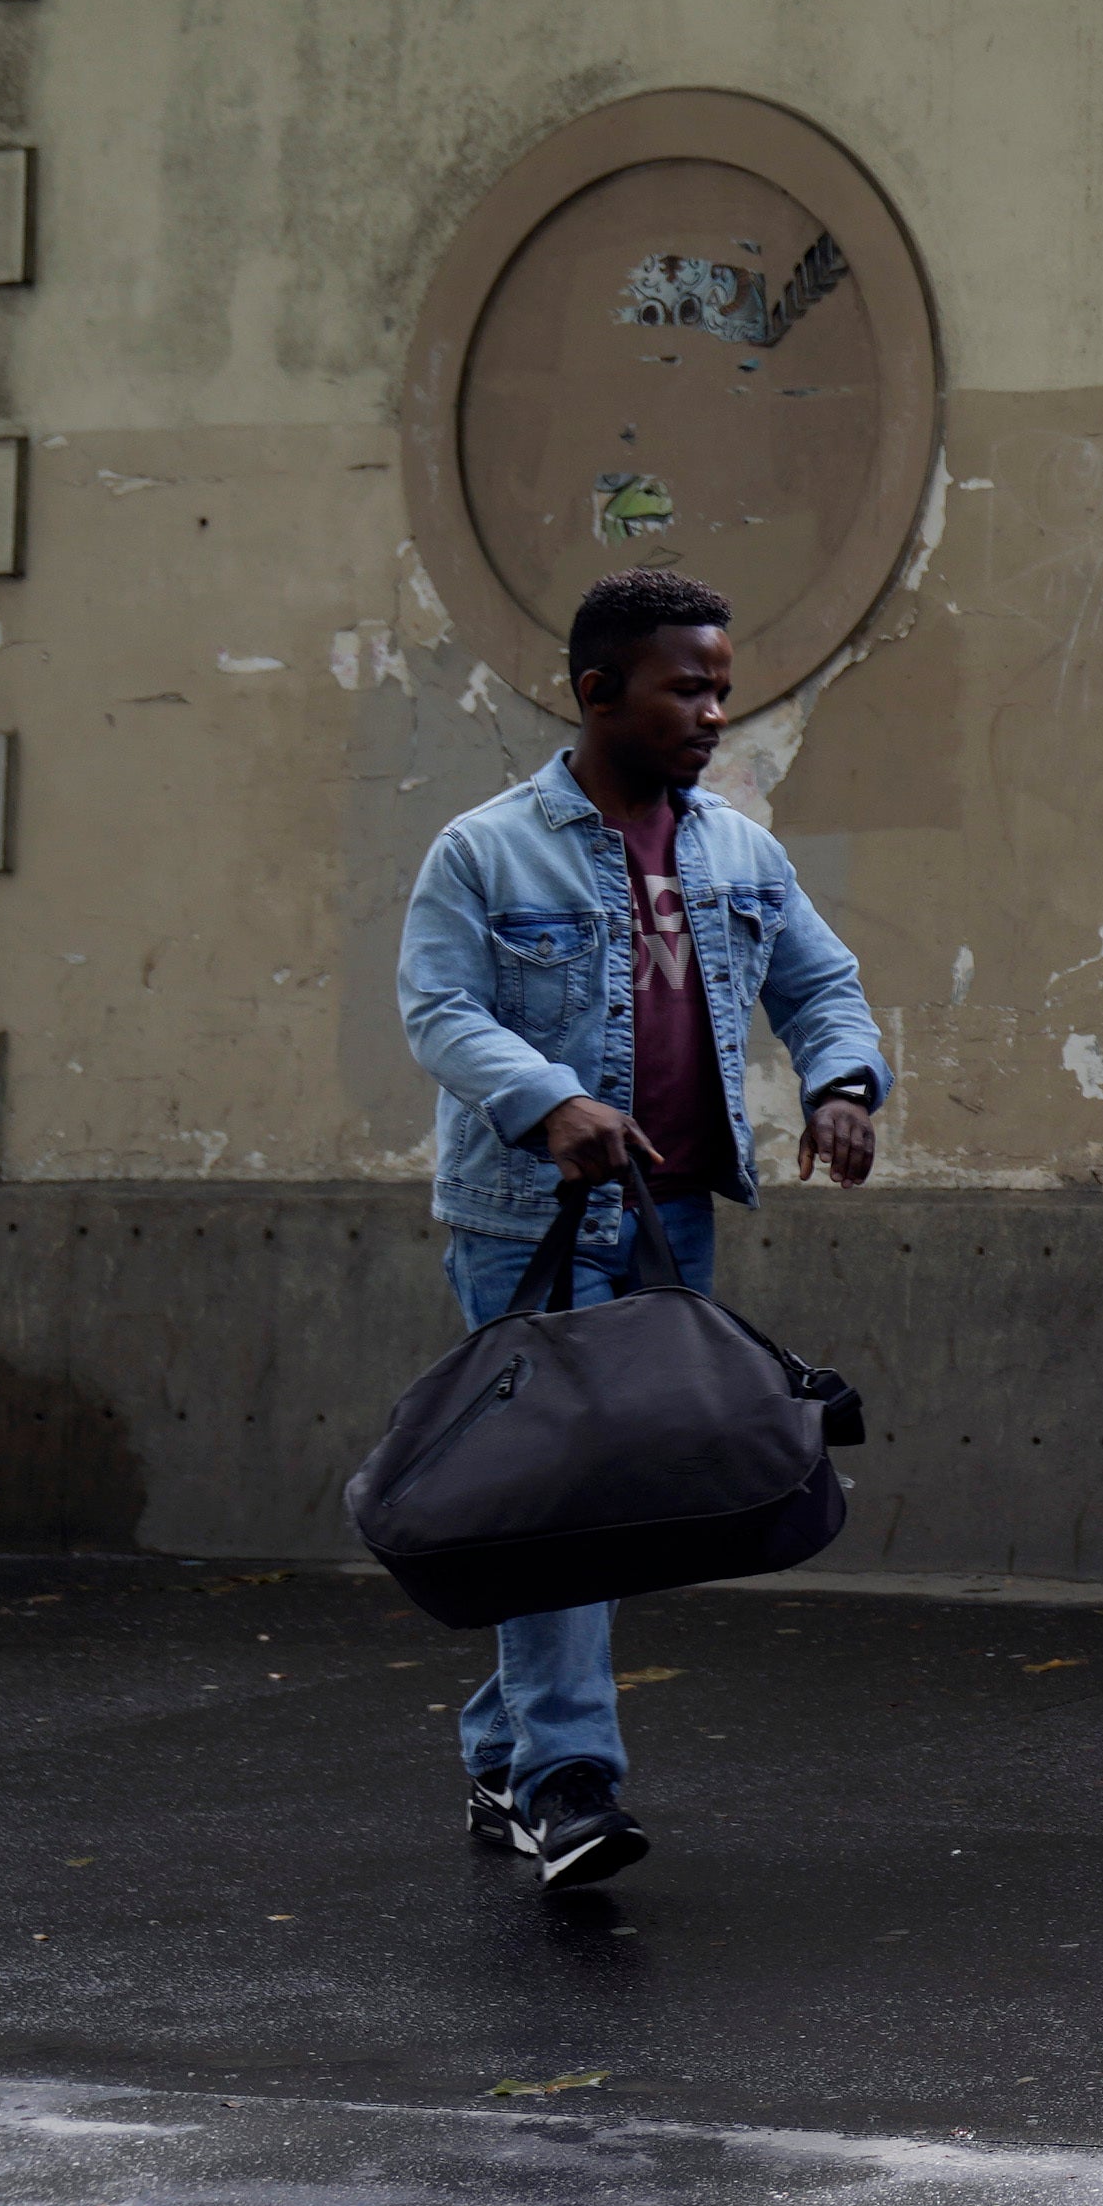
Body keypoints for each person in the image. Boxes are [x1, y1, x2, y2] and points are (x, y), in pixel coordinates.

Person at [392, 568, 886, 1893]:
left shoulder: (736, 848)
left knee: (597, 1503)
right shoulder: (484, 849)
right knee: (561, 1499)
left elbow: (819, 978)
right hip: (526, 1226)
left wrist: (842, 1083)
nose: (714, 710)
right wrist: (547, 1100)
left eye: (723, 685)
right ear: (598, 690)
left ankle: (505, 1749)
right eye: (688, 686)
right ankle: (569, 1784)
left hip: (670, 1218)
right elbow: (438, 1007)